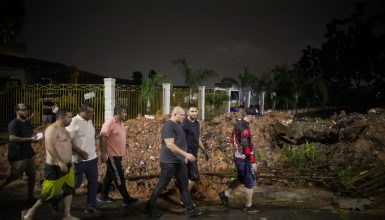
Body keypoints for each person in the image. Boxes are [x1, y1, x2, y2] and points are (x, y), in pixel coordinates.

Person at [145, 106, 204, 218]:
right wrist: (186, 154)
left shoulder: (179, 125)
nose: (183, 117)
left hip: (179, 161)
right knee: (162, 184)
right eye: (182, 115)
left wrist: (184, 156)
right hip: (169, 162)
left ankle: (190, 210)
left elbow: (181, 142)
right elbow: (170, 145)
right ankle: (148, 207)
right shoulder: (168, 125)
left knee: (184, 185)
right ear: (175, 114)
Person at [21, 109, 80, 220]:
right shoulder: (52, 129)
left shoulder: (64, 130)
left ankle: (67, 215)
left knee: (69, 190)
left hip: (68, 165)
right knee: (48, 194)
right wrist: (60, 162)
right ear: (61, 117)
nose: (71, 119)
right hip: (55, 167)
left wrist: (80, 152)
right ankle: (29, 213)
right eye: (69, 117)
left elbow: (68, 145)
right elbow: (49, 146)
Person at [218, 113, 260, 213]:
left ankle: (225, 194)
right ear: (251, 116)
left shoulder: (239, 124)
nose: (256, 118)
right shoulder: (243, 128)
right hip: (243, 159)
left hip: (238, 157)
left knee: (241, 179)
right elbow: (245, 146)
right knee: (250, 182)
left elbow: (234, 141)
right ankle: (248, 206)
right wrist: (252, 161)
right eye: (255, 116)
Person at [98, 105, 138, 206]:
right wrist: (103, 154)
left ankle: (103, 196)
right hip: (112, 155)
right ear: (118, 113)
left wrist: (125, 144)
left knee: (109, 176)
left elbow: (118, 136)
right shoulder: (109, 123)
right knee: (119, 176)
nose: (125, 114)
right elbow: (102, 137)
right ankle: (126, 199)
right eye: (124, 112)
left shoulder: (121, 123)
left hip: (118, 154)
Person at [0, 103, 39, 205]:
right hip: (18, 155)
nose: (26, 111)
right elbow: (12, 138)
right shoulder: (14, 123)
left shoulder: (28, 124)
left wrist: (35, 138)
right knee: (14, 176)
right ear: (17, 112)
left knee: (32, 175)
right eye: (23, 110)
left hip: (28, 154)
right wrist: (30, 139)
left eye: (27, 109)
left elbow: (30, 136)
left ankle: (30, 198)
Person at [65, 103, 100, 214]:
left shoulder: (89, 120)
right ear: (83, 112)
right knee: (75, 184)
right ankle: (55, 199)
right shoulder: (73, 121)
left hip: (92, 158)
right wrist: (80, 152)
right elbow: (66, 141)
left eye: (92, 111)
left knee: (93, 182)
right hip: (78, 160)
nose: (92, 114)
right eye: (90, 112)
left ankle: (90, 206)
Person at [179, 104, 206, 200]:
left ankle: (184, 198)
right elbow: (179, 139)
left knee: (189, 176)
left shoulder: (197, 124)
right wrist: (184, 155)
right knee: (194, 176)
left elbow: (197, 138)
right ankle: (184, 198)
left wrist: (204, 150)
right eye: (192, 111)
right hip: (186, 153)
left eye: (195, 111)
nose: (194, 113)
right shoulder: (183, 123)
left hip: (194, 154)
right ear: (187, 112)